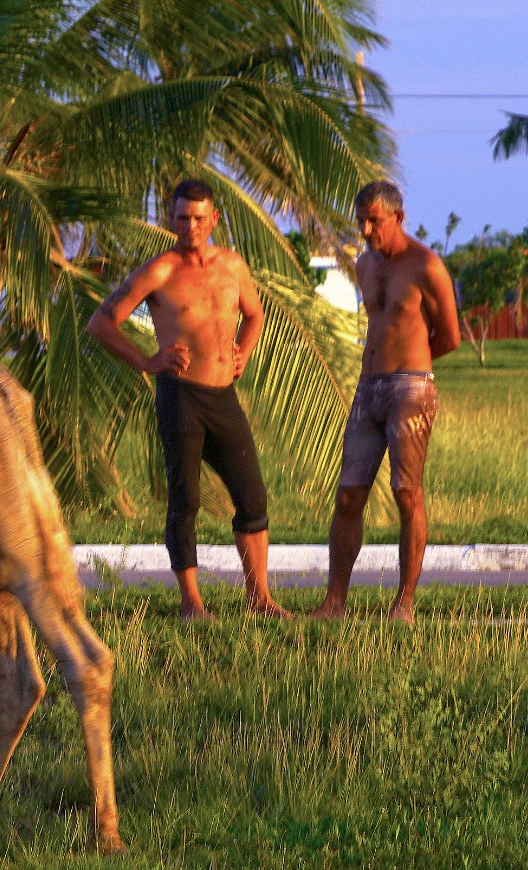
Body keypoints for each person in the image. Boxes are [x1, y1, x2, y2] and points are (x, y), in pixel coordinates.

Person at [87, 180, 290, 621]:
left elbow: (254, 314)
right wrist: (147, 360)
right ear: (171, 218)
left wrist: (244, 351)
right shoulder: (160, 271)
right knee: (186, 501)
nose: (191, 225)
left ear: (214, 219)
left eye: (200, 217)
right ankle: (191, 603)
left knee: (252, 496)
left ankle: (260, 598)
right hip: (182, 397)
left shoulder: (233, 265)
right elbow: (101, 323)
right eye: (182, 217)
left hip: (224, 396)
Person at [310, 180, 461, 622]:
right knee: (347, 497)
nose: (366, 228)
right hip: (368, 387)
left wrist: (411, 365)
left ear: (398, 217)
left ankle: (405, 604)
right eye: (361, 220)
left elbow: (450, 336)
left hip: (409, 388)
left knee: (407, 494)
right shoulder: (364, 265)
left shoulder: (426, 265)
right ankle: (334, 602)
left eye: (374, 220)